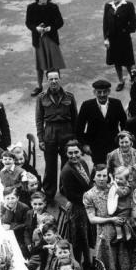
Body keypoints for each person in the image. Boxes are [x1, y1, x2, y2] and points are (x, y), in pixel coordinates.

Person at [35, 69, 78, 200]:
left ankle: (65, 189)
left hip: (67, 132)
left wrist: (76, 139)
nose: (53, 81)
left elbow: (76, 118)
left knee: (67, 163)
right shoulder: (41, 97)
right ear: (47, 80)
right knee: (50, 165)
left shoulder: (69, 96)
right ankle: (49, 193)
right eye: (51, 79)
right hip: (50, 133)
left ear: (60, 78)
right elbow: (39, 120)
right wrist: (41, 139)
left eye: (56, 78)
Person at [25, 0, 66, 97]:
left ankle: (56, 87)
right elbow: (28, 23)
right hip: (39, 40)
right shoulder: (31, 7)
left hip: (51, 39)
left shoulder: (53, 7)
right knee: (40, 66)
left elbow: (60, 22)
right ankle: (39, 86)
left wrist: (50, 28)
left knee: (54, 64)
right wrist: (36, 28)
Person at [58, 140, 92, 266]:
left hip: (85, 204)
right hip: (78, 208)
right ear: (66, 154)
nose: (74, 156)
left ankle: (88, 262)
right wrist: (89, 199)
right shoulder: (66, 171)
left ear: (81, 152)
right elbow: (70, 195)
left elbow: (88, 183)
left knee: (86, 237)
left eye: (76, 152)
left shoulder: (82, 162)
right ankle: (78, 265)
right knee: (78, 239)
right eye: (70, 153)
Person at [76, 79, 127, 165]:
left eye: (105, 92)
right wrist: (84, 145)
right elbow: (79, 128)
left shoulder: (116, 104)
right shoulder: (86, 105)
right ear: (94, 92)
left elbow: (124, 124)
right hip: (95, 147)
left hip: (113, 145)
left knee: (116, 170)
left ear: (109, 92)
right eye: (99, 92)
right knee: (100, 172)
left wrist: (122, 141)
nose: (102, 95)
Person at [102, 0, 136, 88]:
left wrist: (125, 31)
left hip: (124, 40)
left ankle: (133, 80)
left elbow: (134, 24)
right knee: (116, 62)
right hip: (112, 40)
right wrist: (106, 39)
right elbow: (105, 24)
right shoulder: (108, 6)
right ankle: (121, 81)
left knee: (128, 63)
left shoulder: (128, 5)